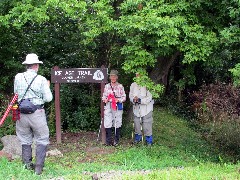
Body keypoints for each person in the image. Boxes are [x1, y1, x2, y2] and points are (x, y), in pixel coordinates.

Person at [14, 53, 53, 175]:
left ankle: (27, 166)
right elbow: (48, 98)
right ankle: (38, 169)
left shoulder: (18, 77)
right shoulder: (41, 79)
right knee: (42, 138)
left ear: (27, 65)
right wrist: (47, 87)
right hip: (37, 113)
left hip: (21, 114)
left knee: (25, 139)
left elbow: (16, 93)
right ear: (36, 65)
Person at [102, 70, 126, 146]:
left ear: (117, 77)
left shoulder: (120, 86)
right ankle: (108, 141)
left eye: (114, 76)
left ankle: (116, 140)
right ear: (110, 77)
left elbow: (124, 97)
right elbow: (104, 96)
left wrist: (118, 100)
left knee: (117, 122)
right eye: (111, 76)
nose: (113, 77)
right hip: (109, 105)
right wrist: (105, 99)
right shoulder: (107, 86)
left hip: (117, 105)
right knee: (108, 122)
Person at [129, 72, 154, 146]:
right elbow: (130, 96)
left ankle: (149, 141)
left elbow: (149, 97)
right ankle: (138, 139)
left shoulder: (148, 84)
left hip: (146, 109)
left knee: (147, 125)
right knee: (137, 123)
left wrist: (140, 100)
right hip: (136, 109)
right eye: (136, 75)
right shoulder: (133, 85)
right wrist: (134, 99)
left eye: (140, 75)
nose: (138, 76)